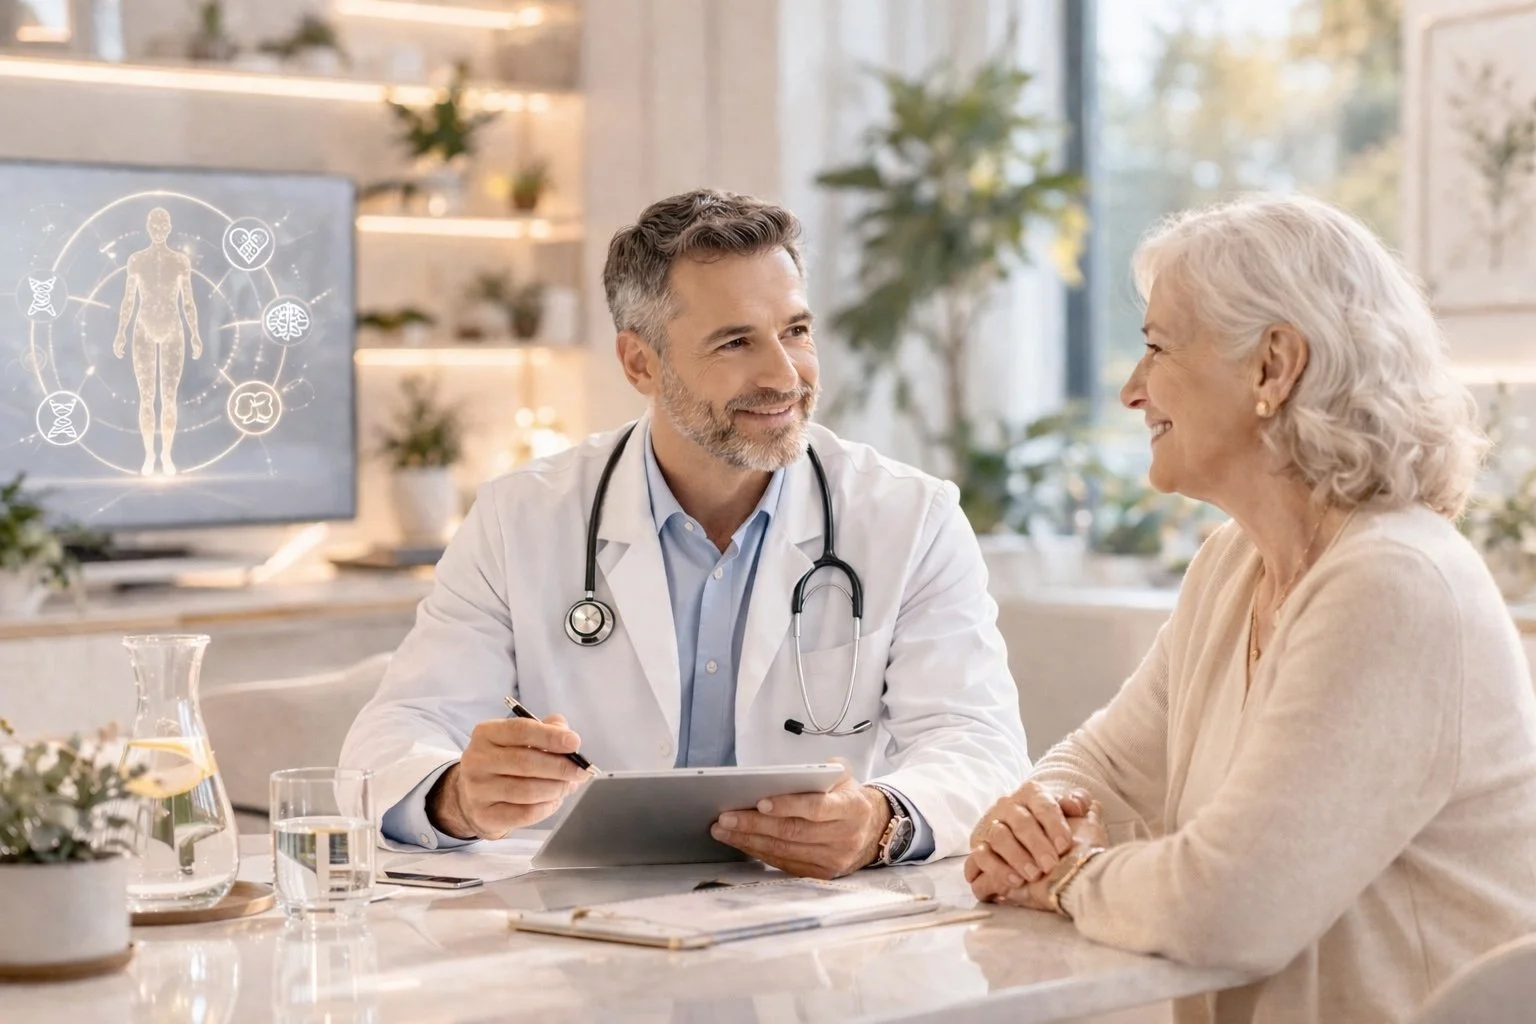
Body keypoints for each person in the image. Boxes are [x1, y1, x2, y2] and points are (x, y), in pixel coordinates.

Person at [964, 193, 1536, 1024]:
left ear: (1273, 366)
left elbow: (1229, 909)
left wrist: (1059, 877)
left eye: (1157, 347)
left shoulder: (1395, 583)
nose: (1131, 390)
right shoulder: (1234, 565)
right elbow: (1103, 770)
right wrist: (1036, 817)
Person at [342, 189, 1030, 878]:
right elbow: (392, 736)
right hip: (580, 929)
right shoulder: (519, 518)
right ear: (640, 363)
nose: (785, 375)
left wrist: (882, 820)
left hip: (816, 930)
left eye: (795, 330)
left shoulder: (910, 517)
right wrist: (455, 796)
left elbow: (978, 744)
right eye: (736, 342)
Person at [113, 207, 203, 477]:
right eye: (155, 225)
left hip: (173, 329)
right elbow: (128, 299)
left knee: (169, 397)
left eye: (164, 225)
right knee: (146, 397)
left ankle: (166, 454)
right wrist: (120, 331)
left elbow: (188, 300)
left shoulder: (180, 261)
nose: (160, 230)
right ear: (149, 228)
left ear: (170, 227)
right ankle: (149, 455)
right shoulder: (137, 260)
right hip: (143, 328)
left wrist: (195, 333)